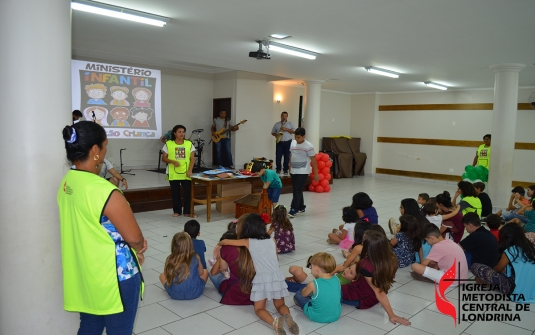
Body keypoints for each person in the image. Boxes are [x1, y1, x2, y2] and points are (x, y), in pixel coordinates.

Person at [58, 121, 147, 334]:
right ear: (96, 150)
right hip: (115, 276)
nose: (106, 150)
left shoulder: (67, 183)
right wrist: (138, 247)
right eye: (105, 146)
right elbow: (135, 238)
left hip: (85, 272)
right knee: (120, 330)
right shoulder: (105, 191)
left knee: (90, 326)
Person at [219, 214, 299, 335]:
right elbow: (276, 260)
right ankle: (288, 318)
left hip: (261, 278)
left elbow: (225, 241)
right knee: (280, 304)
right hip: (276, 276)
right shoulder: (272, 240)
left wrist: (219, 244)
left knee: (259, 309)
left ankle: (275, 323)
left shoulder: (247, 241)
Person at [341, 231, 411, 326]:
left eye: (363, 243)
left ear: (368, 248)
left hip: (361, 298)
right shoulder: (392, 258)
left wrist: (392, 315)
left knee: (324, 290)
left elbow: (379, 292)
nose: (361, 244)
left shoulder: (366, 265)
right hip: (374, 296)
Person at [471, 223, 535, 303]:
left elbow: (498, 269)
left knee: (476, 267)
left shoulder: (511, 250)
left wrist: (490, 272)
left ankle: (486, 283)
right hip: (531, 289)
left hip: (514, 289)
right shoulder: (531, 247)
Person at [292, 252, 342, 323]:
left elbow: (303, 295)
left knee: (299, 294)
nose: (311, 269)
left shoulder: (313, 284)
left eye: (311, 267)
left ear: (316, 268)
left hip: (317, 317)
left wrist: (304, 290)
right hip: (336, 315)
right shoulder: (336, 279)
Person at [159, 232, 208, 300]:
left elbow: (167, 274)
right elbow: (201, 272)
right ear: (190, 245)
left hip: (175, 293)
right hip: (195, 292)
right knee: (205, 272)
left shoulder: (169, 258)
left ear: (173, 246)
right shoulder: (196, 257)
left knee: (161, 275)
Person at [162, 125, 197, 217]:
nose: (182, 134)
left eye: (183, 132)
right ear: (174, 133)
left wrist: (190, 170)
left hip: (186, 173)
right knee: (175, 193)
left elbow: (192, 159)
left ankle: (187, 211)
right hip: (173, 173)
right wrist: (172, 161)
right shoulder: (169, 143)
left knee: (188, 193)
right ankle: (177, 211)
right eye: (179, 132)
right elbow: (164, 158)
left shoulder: (189, 144)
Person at [287, 127, 319, 218]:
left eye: (299, 137)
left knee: (297, 189)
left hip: (303, 171)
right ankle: (301, 207)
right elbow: (291, 155)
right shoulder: (293, 143)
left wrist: (315, 173)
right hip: (294, 170)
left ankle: (294, 209)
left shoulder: (308, 146)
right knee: (297, 188)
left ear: (304, 136)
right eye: (296, 137)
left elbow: (313, 160)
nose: (297, 139)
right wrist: (290, 167)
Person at [271, 111, 296, 175]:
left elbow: (294, 131)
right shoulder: (277, 124)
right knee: (278, 156)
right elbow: (272, 132)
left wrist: (286, 129)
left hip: (288, 142)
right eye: (282, 116)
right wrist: (276, 135)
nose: (284, 117)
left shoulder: (290, 124)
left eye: (285, 116)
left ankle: (285, 170)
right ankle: (278, 169)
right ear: (280, 116)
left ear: (287, 117)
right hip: (279, 142)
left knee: (287, 156)